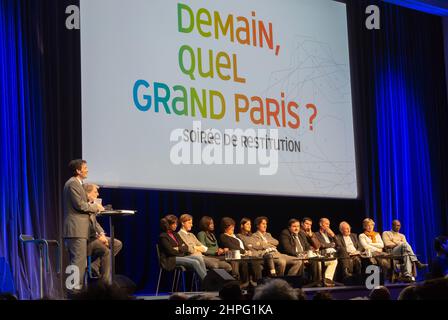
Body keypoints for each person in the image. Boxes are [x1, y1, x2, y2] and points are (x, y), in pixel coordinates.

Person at [63, 159, 105, 290]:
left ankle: (73, 291)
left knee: (78, 262)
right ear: (78, 170)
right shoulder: (72, 184)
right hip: (76, 230)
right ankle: (73, 292)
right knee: (77, 263)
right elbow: (80, 205)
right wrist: (95, 207)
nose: (87, 170)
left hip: (80, 230)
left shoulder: (78, 184)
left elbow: (82, 202)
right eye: (85, 167)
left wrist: (91, 202)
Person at [83, 183, 122, 281]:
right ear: (88, 194)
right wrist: (98, 236)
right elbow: (86, 226)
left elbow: (95, 224)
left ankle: (94, 265)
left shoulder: (91, 205)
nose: (98, 194)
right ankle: (105, 284)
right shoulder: (84, 206)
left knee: (117, 244)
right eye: (95, 192)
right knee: (106, 252)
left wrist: (102, 234)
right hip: (87, 239)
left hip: (94, 236)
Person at [158, 214, 207, 280]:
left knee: (199, 258)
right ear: (168, 224)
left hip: (180, 256)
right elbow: (170, 251)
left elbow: (186, 247)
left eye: (176, 223)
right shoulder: (163, 236)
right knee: (195, 262)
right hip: (170, 260)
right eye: (174, 224)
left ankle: (206, 281)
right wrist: (181, 249)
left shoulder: (175, 234)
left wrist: (178, 248)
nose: (176, 225)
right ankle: (207, 282)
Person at [279, 219, 319, 283]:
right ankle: (298, 283)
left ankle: (315, 282)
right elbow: (288, 249)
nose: (296, 228)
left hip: (304, 256)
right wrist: (301, 256)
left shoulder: (301, 234)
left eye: (298, 226)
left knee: (315, 260)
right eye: (294, 226)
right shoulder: (285, 233)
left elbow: (307, 245)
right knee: (300, 261)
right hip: (292, 256)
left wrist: (308, 253)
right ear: (289, 227)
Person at [219, 217, 251, 287]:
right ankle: (241, 283)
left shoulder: (235, 236)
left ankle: (253, 282)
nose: (233, 228)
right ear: (225, 228)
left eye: (233, 226)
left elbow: (243, 244)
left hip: (243, 255)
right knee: (244, 263)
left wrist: (247, 250)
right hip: (233, 256)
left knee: (254, 262)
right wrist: (244, 251)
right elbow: (231, 246)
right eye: (230, 227)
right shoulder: (223, 236)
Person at [236, 217, 270, 282]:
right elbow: (247, 247)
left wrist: (255, 246)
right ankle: (258, 283)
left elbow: (260, 246)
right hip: (249, 257)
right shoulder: (239, 236)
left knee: (269, 258)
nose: (249, 226)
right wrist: (255, 246)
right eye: (247, 224)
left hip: (259, 255)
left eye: (250, 224)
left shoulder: (253, 236)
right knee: (255, 261)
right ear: (242, 225)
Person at [314, 218, 339, 285]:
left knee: (334, 260)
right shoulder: (316, 234)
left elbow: (338, 244)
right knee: (319, 263)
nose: (328, 226)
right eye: (326, 224)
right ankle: (320, 282)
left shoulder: (330, 235)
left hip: (333, 254)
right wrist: (331, 244)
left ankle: (327, 280)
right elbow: (320, 245)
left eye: (329, 224)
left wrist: (333, 235)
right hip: (323, 255)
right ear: (320, 224)